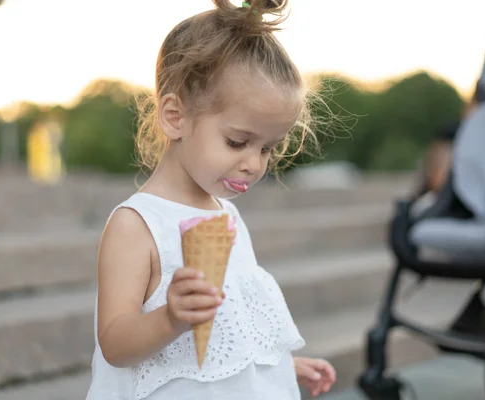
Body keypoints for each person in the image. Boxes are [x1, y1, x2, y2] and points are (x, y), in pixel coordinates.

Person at [86, 1, 337, 399]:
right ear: (174, 116)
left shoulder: (228, 217)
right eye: (237, 142)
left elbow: (231, 331)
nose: (254, 164)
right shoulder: (136, 224)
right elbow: (115, 343)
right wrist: (170, 318)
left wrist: (278, 368)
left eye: (268, 148)